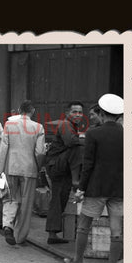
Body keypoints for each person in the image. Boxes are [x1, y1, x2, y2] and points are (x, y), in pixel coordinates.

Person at [63, 94, 124, 263]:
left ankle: (77, 261)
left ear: (101, 113)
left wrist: (81, 188)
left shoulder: (93, 134)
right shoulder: (125, 133)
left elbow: (88, 164)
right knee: (116, 230)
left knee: (83, 226)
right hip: (118, 189)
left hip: (96, 187)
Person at [0, 100, 45, 245]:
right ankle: (19, 236)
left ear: (18, 110)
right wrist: (39, 166)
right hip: (29, 169)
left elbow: (3, 149)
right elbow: (40, 152)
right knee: (26, 203)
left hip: (11, 167)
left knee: (10, 198)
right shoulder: (38, 127)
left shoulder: (9, 125)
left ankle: (7, 225)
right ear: (33, 111)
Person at [44, 101, 85, 244]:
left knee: (60, 197)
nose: (78, 115)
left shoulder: (73, 126)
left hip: (63, 166)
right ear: (67, 113)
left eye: (80, 112)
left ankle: (52, 233)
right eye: (75, 112)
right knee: (57, 197)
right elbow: (71, 142)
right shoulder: (66, 124)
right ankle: (75, 180)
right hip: (56, 165)